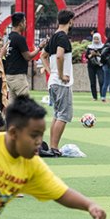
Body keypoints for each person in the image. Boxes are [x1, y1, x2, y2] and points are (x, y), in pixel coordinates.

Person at [40, 9, 75, 157]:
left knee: (57, 114)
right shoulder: (62, 37)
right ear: (71, 21)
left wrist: (50, 71)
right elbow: (60, 56)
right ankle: (54, 147)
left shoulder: (54, 36)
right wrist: (61, 75)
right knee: (64, 115)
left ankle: (54, 146)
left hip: (53, 82)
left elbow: (43, 55)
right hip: (61, 83)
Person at [4, 12, 45, 101]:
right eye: (25, 22)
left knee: (13, 107)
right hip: (18, 77)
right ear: (20, 23)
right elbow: (28, 56)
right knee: (25, 105)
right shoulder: (19, 38)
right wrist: (40, 47)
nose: (26, 24)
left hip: (9, 76)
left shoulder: (9, 37)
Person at [84, 33, 104, 101]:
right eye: (95, 39)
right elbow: (86, 56)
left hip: (99, 66)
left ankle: (102, 96)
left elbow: (104, 56)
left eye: (97, 39)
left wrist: (98, 54)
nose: (96, 40)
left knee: (101, 81)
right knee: (92, 82)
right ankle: (94, 97)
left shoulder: (102, 47)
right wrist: (91, 54)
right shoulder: (90, 47)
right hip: (91, 66)